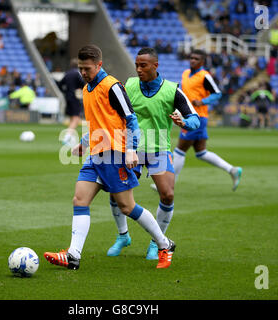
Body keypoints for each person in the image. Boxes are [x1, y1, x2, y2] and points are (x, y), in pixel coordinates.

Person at [44, 45, 176, 270]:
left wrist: (132, 149)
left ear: (99, 65)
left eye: (87, 68)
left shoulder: (112, 86)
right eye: (80, 68)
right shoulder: (87, 89)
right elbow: (98, 122)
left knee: (127, 206)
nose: (83, 73)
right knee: (80, 200)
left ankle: (165, 244)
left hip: (116, 154)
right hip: (96, 154)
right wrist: (83, 143)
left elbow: (130, 119)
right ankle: (74, 255)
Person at [104, 47, 200, 259]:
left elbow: (194, 118)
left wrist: (184, 122)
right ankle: (122, 235)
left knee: (167, 194)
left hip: (158, 149)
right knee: (116, 191)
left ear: (155, 66)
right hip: (132, 149)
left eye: (143, 65)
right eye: (137, 65)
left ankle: (157, 242)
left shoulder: (172, 90)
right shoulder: (128, 86)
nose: (138, 69)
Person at [169, 49, 242, 191]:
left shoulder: (205, 76)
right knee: (201, 152)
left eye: (196, 59)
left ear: (202, 62)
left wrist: (202, 101)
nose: (192, 60)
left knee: (180, 150)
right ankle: (232, 170)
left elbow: (218, 94)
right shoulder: (185, 73)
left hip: (198, 117)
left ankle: (169, 184)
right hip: (189, 115)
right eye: (191, 58)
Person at [58, 58, 85, 146]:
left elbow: (60, 84)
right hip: (75, 97)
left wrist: (65, 92)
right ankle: (67, 136)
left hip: (67, 97)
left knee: (71, 117)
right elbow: (83, 84)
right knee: (76, 117)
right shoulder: (77, 73)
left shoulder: (67, 73)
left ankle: (70, 136)